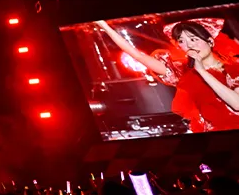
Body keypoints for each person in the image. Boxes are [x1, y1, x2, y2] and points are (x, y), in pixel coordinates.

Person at [96, 19, 239, 132]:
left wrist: (202, 71)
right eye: (182, 41)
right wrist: (105, 26)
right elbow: (138, 56)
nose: (189, 45)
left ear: (210, 41)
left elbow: (237, 104)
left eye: (193, 39)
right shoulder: (181, 71)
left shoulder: (234, 68)